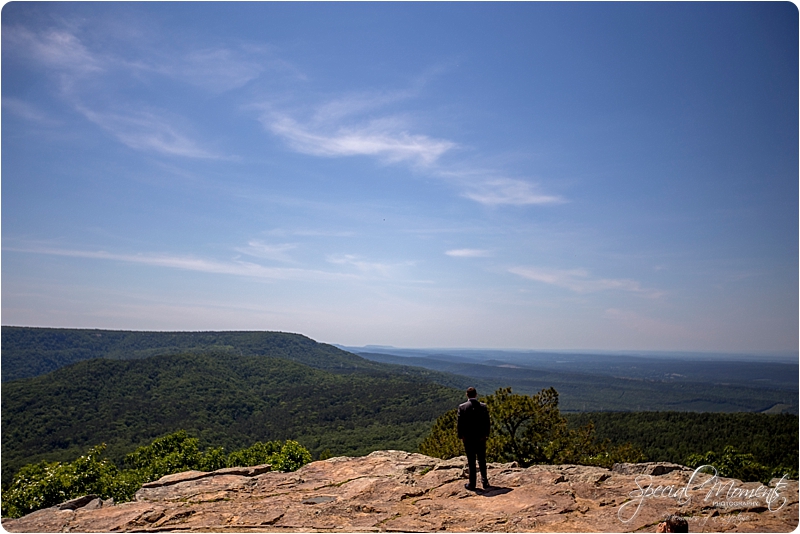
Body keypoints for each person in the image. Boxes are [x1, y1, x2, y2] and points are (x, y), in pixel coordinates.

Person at [457, 387, 491, 490]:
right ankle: (485, 481)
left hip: (468, 438)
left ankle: (472, 484)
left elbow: (460, 424)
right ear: (476, 395)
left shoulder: (462, 407)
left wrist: (461, 436)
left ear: (467, 395)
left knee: (471, 461)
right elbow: (487, 423)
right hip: (481, 437)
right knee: (482, 460)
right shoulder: (483, 406)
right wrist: (486, 434)